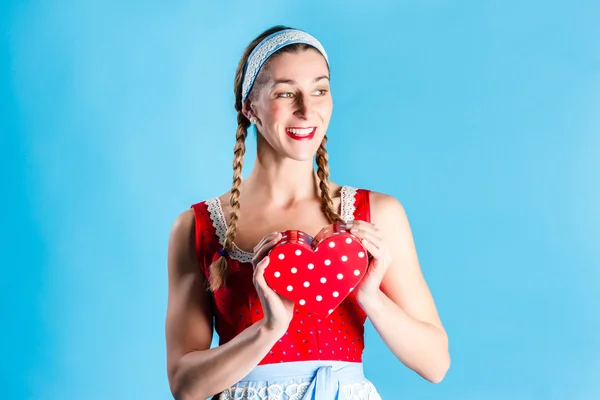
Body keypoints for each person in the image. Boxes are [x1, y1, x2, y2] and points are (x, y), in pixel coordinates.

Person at [165, 25, 450, 400]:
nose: (307, 109)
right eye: (286, 93)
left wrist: (371, 297)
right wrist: (268, 329)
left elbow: (436, 364)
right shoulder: (197, 227)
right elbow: (185, 386)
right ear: (248, 107)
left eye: (319, 90)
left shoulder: (376, 213)